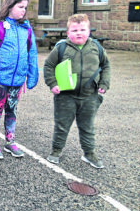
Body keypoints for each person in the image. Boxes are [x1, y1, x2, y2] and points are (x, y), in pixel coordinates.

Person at [43, 13, 110, 169]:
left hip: (89, 97)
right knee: (61, 126)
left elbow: (105, 66)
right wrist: (52, 84)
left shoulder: (96, 48)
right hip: (65, 97)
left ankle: (89, 153)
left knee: (87, 127)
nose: (79, 33)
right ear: (68, 33)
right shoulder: (61, 48)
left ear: (88, 31)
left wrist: (104, 83)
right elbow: (48, 66)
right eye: (74, 30)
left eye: (82, 29)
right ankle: (56, 150)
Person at [0, 0, 38, 160]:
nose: (23, 11)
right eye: (20, 7)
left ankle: (10, 140)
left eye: (25, 8)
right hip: (0, 80)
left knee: (12, 110)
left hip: (18, 80)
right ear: (10, 6)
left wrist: (32, 76)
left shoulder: (26, 27)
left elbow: (32, 52)